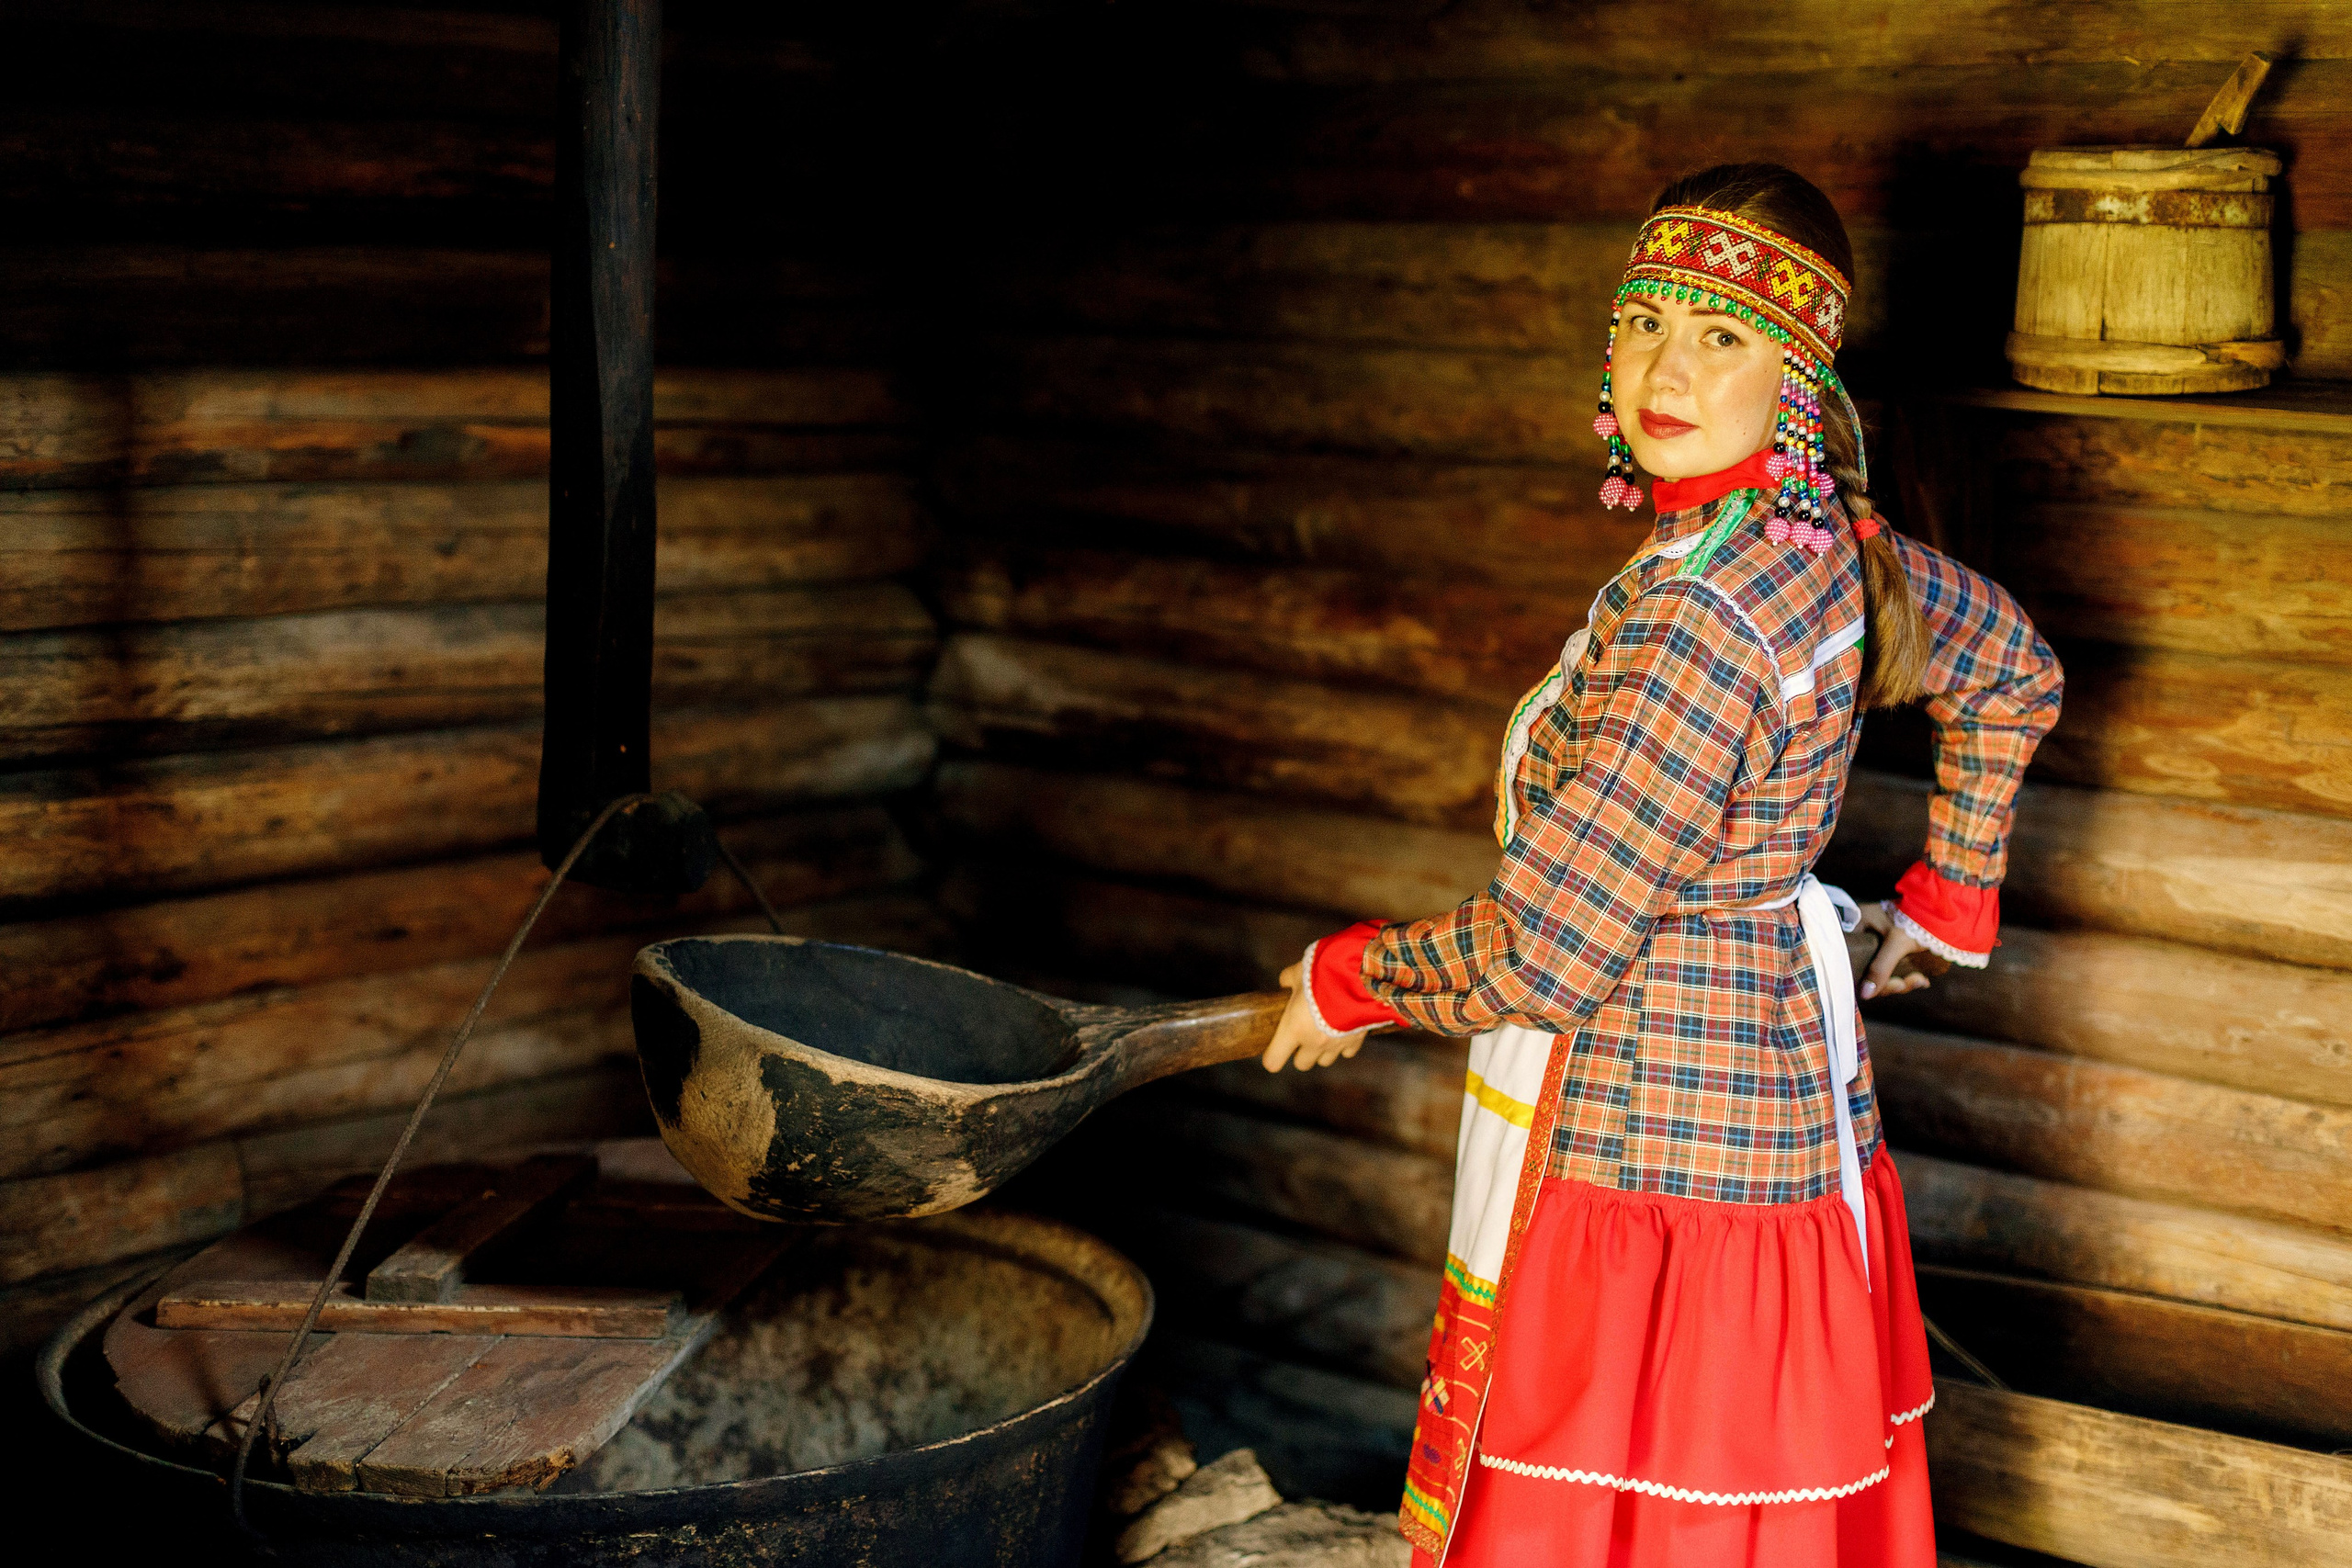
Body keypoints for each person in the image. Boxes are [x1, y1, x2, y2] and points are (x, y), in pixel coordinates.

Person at [1259, 164, 2063, 1568]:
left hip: (1644, 1138)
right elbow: (2014, 671)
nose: (1664, 372)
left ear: (1799, 378)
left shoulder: (1699, 622)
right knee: (1745, 1502)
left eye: (1723, 338)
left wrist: (1351, 978)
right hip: (1794, 1104)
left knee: (1626, 1503)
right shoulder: (1826, 548)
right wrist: (1952, 899)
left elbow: (1546, 954)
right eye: (1644, 323)